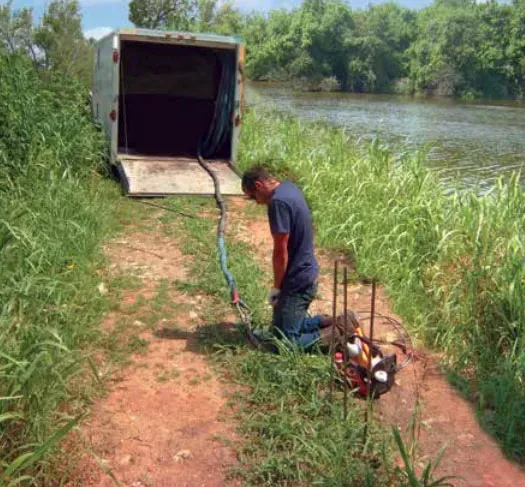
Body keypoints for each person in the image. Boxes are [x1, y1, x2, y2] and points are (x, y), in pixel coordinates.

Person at [241, 164, 337, 350]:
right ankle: (331, 322)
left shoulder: (278, 203)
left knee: (283, 343)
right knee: (279, 330)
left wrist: (277, 288)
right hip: (305, 271)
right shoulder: (288, 187)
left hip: (298, 280)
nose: (256, 202)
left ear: (259, 185)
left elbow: (280, 251)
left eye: (253, 197)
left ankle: (335, 334)